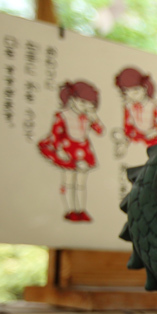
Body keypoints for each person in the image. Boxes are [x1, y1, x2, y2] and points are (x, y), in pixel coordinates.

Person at [37, 80, 104, 222]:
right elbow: (56, 134)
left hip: (83, 149)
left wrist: (94, 118)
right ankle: (69, 210)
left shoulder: (87, 116)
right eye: (82, 102)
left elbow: (100, 131)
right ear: (72, 99)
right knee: (68, 181)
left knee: (81, 183)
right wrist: (59, 150)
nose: (85, 106)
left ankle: (81, 210)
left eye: (89, 104)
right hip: (67, 148)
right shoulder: (62, 115)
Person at [112, 67, 157, 157]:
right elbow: (128, 126)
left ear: (144, 88)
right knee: (117, 134)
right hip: (138, 137)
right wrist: (126, 139)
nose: (132, 96)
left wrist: (156, 131)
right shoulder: (128, 106)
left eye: (135, 91)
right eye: (126, 93)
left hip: (154, 137)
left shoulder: (154, 105)